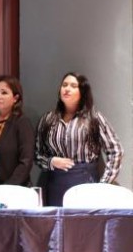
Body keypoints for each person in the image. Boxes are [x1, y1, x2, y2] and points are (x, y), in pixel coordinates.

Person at [35, 72, 123, 206]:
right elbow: (37, 153)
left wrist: (104, 184)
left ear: (82, 91)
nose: (67, 89)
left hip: (86, 182)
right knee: (58, 224)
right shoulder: (48, 119)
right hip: (55, 183)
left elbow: (116, 150)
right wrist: (51, 161)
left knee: (84, 224)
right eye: (64, 85)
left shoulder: (94, 118)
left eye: (73, 86)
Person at [0, 75, 35, 186]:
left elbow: (26, 161)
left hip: (14, 188)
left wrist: (9, 187)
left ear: (15, 98)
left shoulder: (21, 122)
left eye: (4, 93)